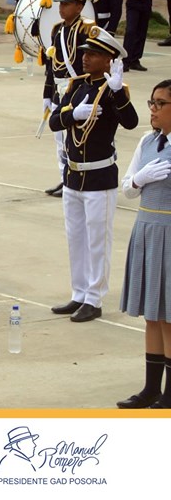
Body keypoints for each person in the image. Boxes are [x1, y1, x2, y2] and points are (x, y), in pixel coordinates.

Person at [48, 27, 138, 323]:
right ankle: (79, 293)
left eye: (94, 54)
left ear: (109, 60)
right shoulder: (76, 86)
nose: (86, 58)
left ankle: (94, 298)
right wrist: (72, 115)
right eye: (86, 52)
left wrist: (117, 91)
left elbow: (131, 121)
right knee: (76, 239)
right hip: (73, 176)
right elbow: (54, 122)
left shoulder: (113, 90)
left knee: (97, 242)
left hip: (99, 178)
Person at [116, 79, 171, 409]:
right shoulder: (147, 141)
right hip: (147, 229)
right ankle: (151, 388)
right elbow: (127, 188)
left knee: (169, 317)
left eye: (160, 103)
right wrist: (139, 178)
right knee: (153, 314)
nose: (153, 109)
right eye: (152, 102)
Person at [40, 0, 96, 198]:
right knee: (60, 140)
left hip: (78, 91)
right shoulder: (58, 30)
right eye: (61, 4)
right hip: (59, 90)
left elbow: (90, 64)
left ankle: (76, 177)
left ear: (79, 7)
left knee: (76, 138)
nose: (61, 8)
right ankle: (65, 178)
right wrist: (47, 94)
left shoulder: (86, 31)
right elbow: (51, 65)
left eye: (67, 4)